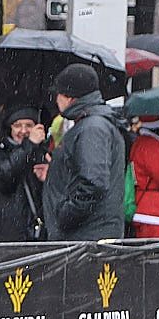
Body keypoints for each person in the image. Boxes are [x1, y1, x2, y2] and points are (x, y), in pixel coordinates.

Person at [42, 62, 128, 240]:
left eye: (58, 93)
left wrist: (65, 215)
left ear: (69, 97)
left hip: (86, 237)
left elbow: (93, 183)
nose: (56, 98)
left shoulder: (92, 128)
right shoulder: (93, 124)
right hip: (89, 234)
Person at [0, 107, 48, 242]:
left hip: (37, 232)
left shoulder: (45, 155)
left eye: (29, 125)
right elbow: (4, 175)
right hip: (6, 233)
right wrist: (28, 145)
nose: (23, 131)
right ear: (10, 128)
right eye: (18, 125)